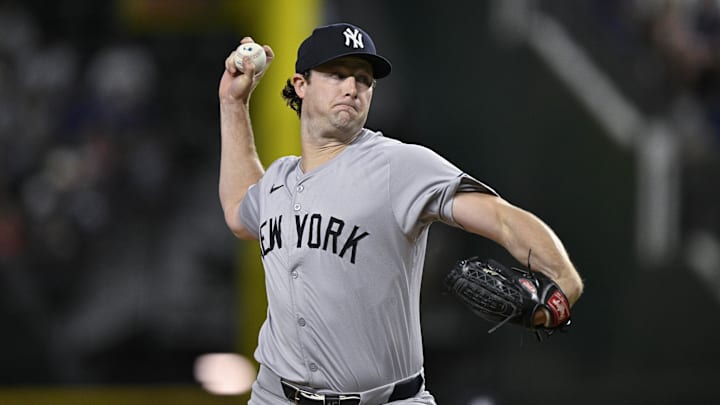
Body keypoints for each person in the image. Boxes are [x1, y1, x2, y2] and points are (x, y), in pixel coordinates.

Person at [218, 22, 583, 405]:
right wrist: (233, 103)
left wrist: (563, 281)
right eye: (337, 74)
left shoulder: (399, 165)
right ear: (301, 85)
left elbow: (501, 217)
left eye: (363, 79)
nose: (352, 88)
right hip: (275, 396)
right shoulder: (278, 179)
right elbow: (238, 210)